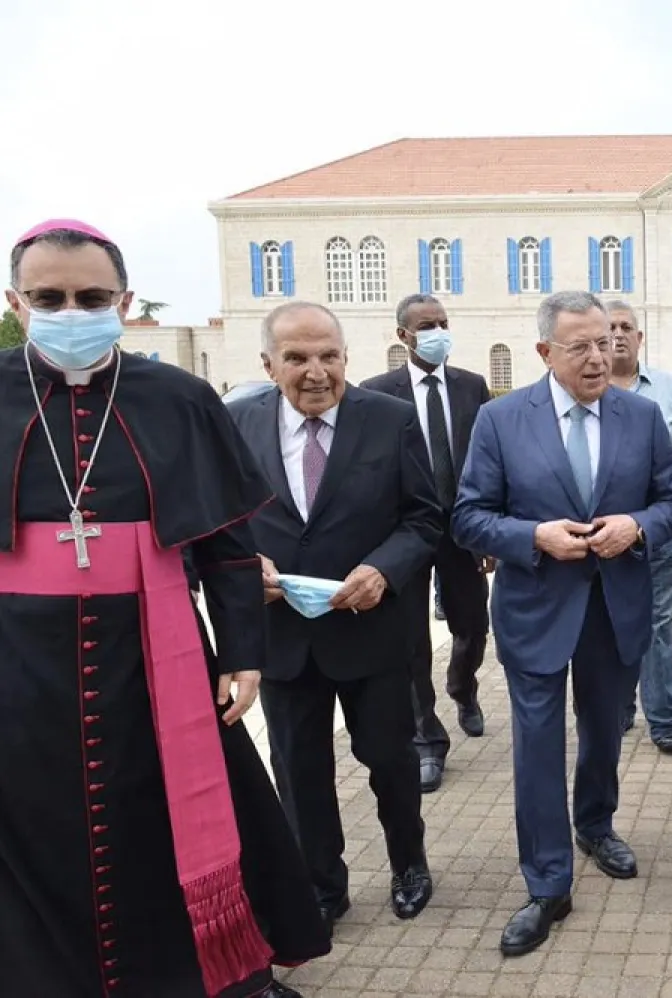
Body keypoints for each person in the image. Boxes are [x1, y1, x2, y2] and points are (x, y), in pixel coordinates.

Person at [0, 219, 327, 997]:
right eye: (49, 297)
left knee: (163, 830)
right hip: (18, 673)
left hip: (150, 663)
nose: (70, 312)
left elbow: (228, 545)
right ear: (16, 301)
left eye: (91, 297)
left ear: (125, 300)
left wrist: (244, 654)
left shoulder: (178, 398)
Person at [451, 290, 672, 957]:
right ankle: (547, 882)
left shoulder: (641, 417)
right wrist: (533, 536)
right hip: (536, 608)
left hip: (615, 608)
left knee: (606, 731)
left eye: (608, 341)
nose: (598, 356)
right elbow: (468, 516)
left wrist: (635, 526)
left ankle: (596, 823)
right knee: (536, 745)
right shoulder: (500, 421)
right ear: (544, 351)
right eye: (581, 345)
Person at [228, 301, 443, 935]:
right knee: (301, 774)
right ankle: (321, 884)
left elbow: (425, 517)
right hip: (285, 638)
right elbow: (218, 527)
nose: (315, 372)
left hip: (371, 632)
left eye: (328, 356)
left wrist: (384, 569)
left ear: (347, 357)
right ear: (269, 364)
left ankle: (409, 863)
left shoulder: (391, 421)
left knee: (391, 762)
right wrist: (246, 568)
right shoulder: (236, 425)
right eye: (296, 358)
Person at [361, 293, 494, 793]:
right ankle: (427, 740)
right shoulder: (379, 392)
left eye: (442, 322)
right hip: (406, 532)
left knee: (473, 626)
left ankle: (463, 686)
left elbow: (487, 457)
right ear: (403, 336)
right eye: (426, 325)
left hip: (462, 529)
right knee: (411, 640)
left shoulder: (471, 386)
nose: (437, 331)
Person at [606, 299, 672, 754]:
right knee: (609, 623)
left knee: (657, 624)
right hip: (599, 536)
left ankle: (664, 719)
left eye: (627, 326)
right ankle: (620, 705)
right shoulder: (584, 390)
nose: (619, 334)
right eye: (610, 328)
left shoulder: (667, 389)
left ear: (639, 337)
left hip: (657, 532)